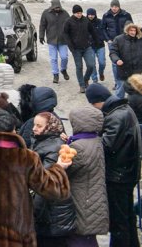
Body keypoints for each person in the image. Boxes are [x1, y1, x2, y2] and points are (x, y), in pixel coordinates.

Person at [0, 114, 70, 247]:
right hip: (14, 230)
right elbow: (50, 188)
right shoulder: (26, 157)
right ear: (13, 131)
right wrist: (59, 168)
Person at [88, 81, 140, 247]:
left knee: (118, 221)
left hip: (118, 176)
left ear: (98, 100)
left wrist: (87, 140)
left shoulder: (115, 116)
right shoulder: (123, 110)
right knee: (127, 216)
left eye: (92, 104)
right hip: (127, 172)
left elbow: (107, 145)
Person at [28, 112, 78, 247]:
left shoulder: (54, 146)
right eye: (34, 125)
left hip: (51, 210)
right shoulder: (40, 141)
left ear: (50, 127)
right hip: (48, 207)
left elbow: (45, 180)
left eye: (39, 126)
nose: (34, 128)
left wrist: (34, 212)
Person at [62, 104, 109, 247]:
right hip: (93, 197)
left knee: (81, 238)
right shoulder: (95, 140)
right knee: (88, 237)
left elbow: (66, 171)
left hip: (82, 199)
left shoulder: (78, 147)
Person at [64, 5, 96, 91]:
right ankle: (82, 85)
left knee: (91, 65)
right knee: (79, 67)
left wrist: (94, 40)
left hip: (87, 47)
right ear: (73, 13)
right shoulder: (68, 21)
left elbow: (92, 31)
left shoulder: (86, 20)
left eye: (80, 13)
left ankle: (86, 79)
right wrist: (71, 46)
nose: (79, 14)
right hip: (76, 49)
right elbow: (66, 34)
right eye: (77, 13)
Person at [102, 0, 132, 91]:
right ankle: (117, 83)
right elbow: (103, 28)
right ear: (110, 7)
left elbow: (131, 26)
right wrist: (107, 39)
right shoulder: (106, 15)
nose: (114, 8)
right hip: (112, 42)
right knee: (115, 63)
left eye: (116, 6)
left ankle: (128, 82)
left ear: (119, 7)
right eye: (112, 6)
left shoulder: (126, 15)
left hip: (124, 42)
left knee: (125, 61)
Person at [39, 0, 71, 84]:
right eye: (56, 7)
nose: (57, 9)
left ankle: (63, 69)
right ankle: (55, 74)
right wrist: (41, 36)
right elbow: (42, 25)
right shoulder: (46, 13)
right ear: (52, 7)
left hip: (63, 40)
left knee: (64, 57)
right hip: (51, 39)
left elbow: (70, 25)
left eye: (58, 7)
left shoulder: (65, 13)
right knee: (53, 58)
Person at [108, 22, 142, 93]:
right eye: (131, 30)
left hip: (138, 72)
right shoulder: (118, 39)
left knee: (138, 93)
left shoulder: (139, 39)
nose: (133, 32)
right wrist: (117, 60)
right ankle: (118, 104)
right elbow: (113, 52)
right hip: (124, 70)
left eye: (134, 30)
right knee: (120, 92)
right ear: (126, 30)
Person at [85, 8, 108, 88]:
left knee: (102, 62)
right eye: (89, 14)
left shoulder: (100, 22)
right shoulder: (84, 22)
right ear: (87, 14)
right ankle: (95, 80)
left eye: (92, 14)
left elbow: (104, 31)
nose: (91, 16)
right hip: (89, 47)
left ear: (95, 14)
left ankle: (101, 73)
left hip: (100, 45)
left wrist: (102, 39)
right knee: (92, 64)